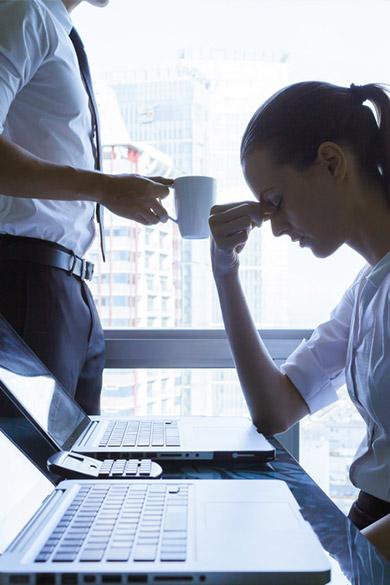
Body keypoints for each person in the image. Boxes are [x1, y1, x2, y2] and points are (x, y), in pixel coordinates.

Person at [208, 81, 390, 561]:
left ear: (332, 163)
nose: (276, 227)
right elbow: (277, 408)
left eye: (277, 201)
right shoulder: (366, 290)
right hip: (370, 524)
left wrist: (339, 568)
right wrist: (225, 272)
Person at [0, 0, 172, 416]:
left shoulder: (59, 29)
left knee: (77, 464)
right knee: (45, 468)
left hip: (66, 286)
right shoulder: (25, 12)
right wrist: (105, 188)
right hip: (28, 279)